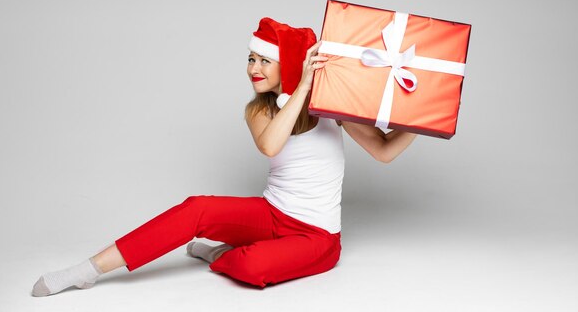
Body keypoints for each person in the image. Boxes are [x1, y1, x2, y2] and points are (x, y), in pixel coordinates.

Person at [31, 17, 417, 296]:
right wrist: (302, 88)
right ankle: (88, 270)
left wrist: (422, 121)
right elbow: (270, 145)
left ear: (288, 64)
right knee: (196, 208)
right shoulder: (259, 111)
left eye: (264, 60)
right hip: (270, 214)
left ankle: (219, 254)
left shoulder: (332, 110)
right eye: (251, 59)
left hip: (317, 236)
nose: (253, 69)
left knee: (251, 267)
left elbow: (383, 151)